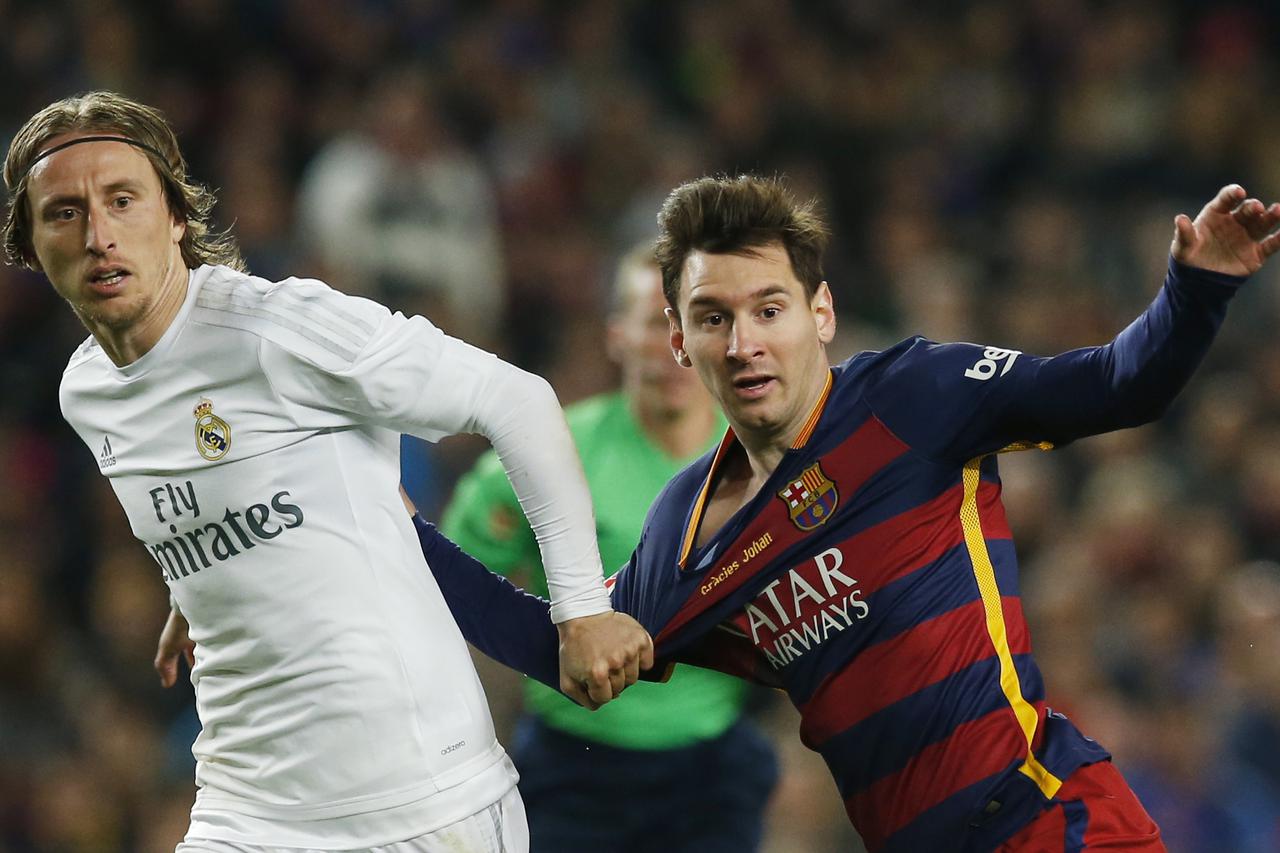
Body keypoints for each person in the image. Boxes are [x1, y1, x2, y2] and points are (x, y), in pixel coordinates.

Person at [410, 174, 1280, 852]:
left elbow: (1116, 383)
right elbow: (568, 654)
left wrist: (1194, 291)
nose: (744, 342)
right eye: (713, 317)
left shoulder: (916, 395)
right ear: (679, 339)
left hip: (1046, 818)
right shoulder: (690, 532)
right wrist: (398, 532)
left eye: (769, 309)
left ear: (820, 313)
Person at [2, 91, 651, 852]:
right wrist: (199, 590)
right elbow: (201, 492)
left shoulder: (277, 329)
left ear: (176, 215)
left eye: (122, 200)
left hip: (420, 802)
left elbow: (516, 399)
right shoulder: (85, 390)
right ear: (28, 243)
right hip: (247, 806)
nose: (100, 235)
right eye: (65, 213)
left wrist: (580, 607)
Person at [441, 245, 778, 852]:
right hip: (575, 772)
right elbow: (444, 584)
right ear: (617, 335)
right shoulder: (546, 455)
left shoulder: (764, 464)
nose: (675, 346)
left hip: (711, 775)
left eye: (696, 320)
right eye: (656, 322)